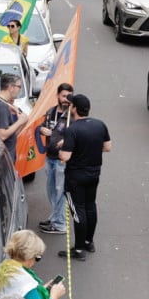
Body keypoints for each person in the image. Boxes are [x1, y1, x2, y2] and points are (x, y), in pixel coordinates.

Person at [58, 94, 111, 261]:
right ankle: (89, 241)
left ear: (74, 109)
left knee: (77, 210)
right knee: (90, 206)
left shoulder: (72, 130)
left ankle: (79, 249)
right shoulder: (100, 125)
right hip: (94, 174)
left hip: (75, 177)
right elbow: (107, 147)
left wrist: (61, 147)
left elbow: (65, 157)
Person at [39, 84, 74, 235]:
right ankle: (55, 217)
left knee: (60, 192)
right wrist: (42, 129)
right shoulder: (51, 112)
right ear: (58, 96)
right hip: (50, 158)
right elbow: (42, 126)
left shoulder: (72, 116)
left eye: (69, 96)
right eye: (64, 96)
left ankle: (60, 224)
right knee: (52, 191)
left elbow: (77, 137)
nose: (66, 99)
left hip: (62, 161)